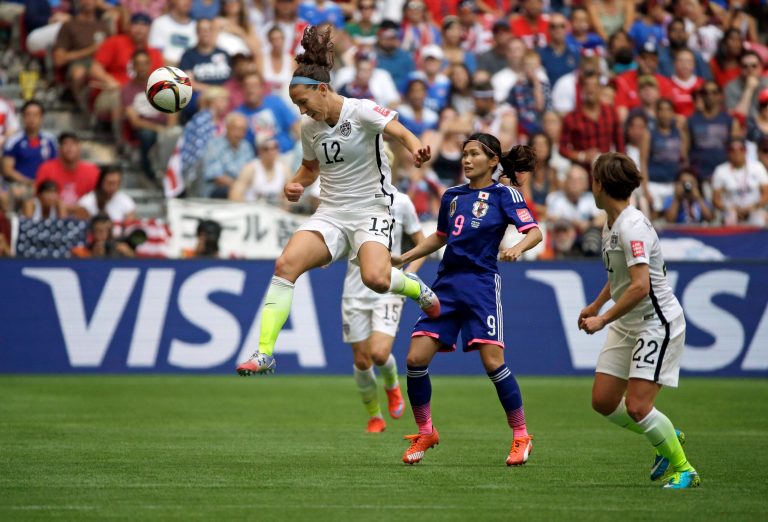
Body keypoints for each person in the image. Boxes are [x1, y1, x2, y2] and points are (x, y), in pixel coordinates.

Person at [236, 25, 437, 376]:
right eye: (296, 104)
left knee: (377, 278)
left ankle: (417, 288)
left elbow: (400, 131)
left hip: (372, 208)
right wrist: (294, 185)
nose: (301, 111)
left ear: (323, 90)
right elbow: (309, 170)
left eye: (303, 102)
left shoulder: (361, 111)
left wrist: (416, 146)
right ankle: (265, 353)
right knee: (285, 266)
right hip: (330, 212)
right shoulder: (310, 129)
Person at [392, 133, 542, 465]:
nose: (466, 159)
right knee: (415, 359)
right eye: (464, 154)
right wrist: (405, 257)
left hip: (481, 285)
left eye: (474, 154)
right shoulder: (452, 196)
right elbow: (440, 237)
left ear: (493, 161)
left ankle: (521, 437)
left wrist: (517, 247)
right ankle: (426, 431)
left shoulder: (506, 194)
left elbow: (535, 231)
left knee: (492, 362)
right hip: (446, 285)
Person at [578, 152, 700, 489]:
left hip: (654, 322)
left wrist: (602, 320)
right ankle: (666, 436)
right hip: (627, 321)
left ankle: (683, 468)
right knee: (603, 401)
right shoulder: (611, 221)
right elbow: (619, 277)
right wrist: (596, 304)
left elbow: (640, 286)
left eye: (593, 178)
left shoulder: (631, 226)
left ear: (600, 184)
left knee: (637, 406)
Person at [343, 188, 426, 433]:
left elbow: (423, 243)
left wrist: (409, 273)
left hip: (387, 288)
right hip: (354, 291)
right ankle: (375, 416)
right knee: (361, 360)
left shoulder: (401, 202)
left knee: (379, 354)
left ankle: (391, 384)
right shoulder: (350, 197)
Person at [34, 131, 99, 213]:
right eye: (65, 144)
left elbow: (97, 200)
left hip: (83, 217)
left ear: (79, 147)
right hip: (54, 216)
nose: (69, 147)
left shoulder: (92, 170)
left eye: (73, 144)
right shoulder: (46, 168)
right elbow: (38, 197)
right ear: (59, 149)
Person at [712, 138, 768, 226]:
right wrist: (728, 209)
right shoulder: (721, 170)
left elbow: (766, 193)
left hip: (754, 208)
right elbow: (716, 199)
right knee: (730, 218)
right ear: (728, 153)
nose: (737, 153)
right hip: (731, 210)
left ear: (745, 151)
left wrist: (754, 207)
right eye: (733, 150)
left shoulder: (757, 167)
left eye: (741, 149)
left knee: (760, 219)